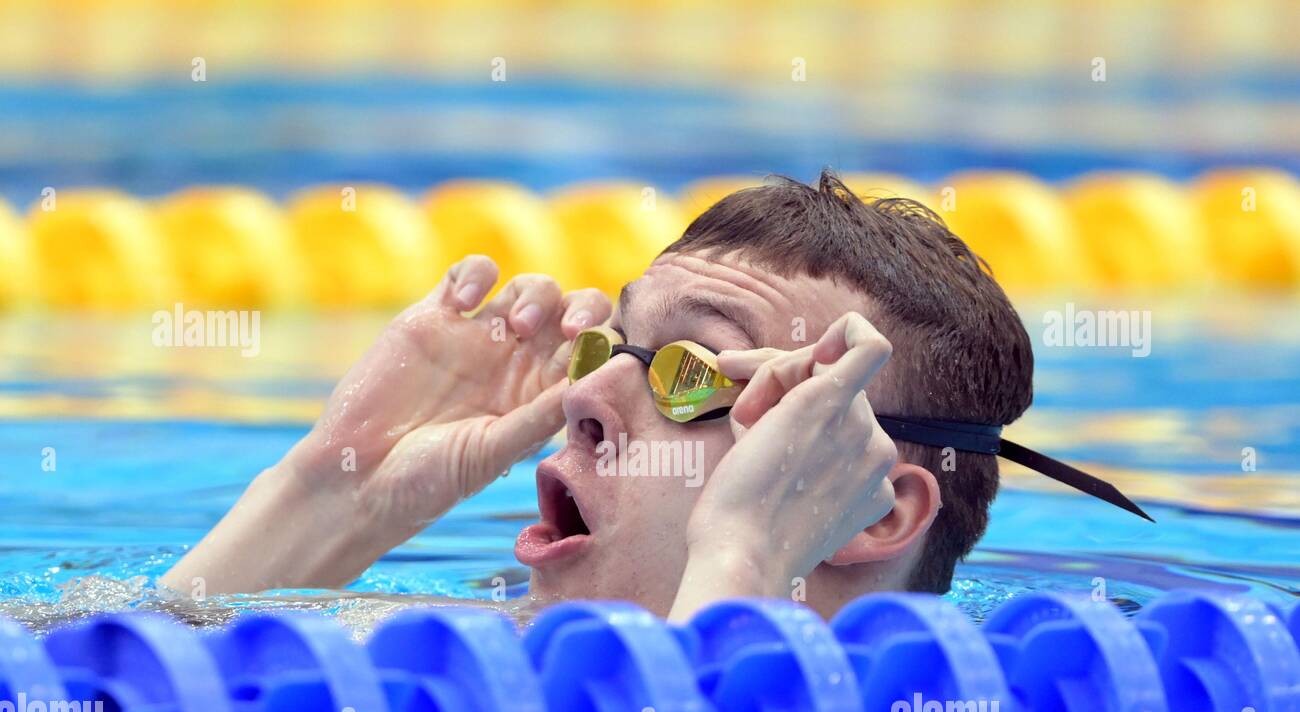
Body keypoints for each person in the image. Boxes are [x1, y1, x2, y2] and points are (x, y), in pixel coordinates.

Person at [161, 170, 1141, 623]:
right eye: (611, 343)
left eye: (690, 368)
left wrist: (743, 557)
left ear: (876, 508)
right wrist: (335, 502)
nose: (583, 391)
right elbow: (82, 689)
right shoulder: (459, 639)